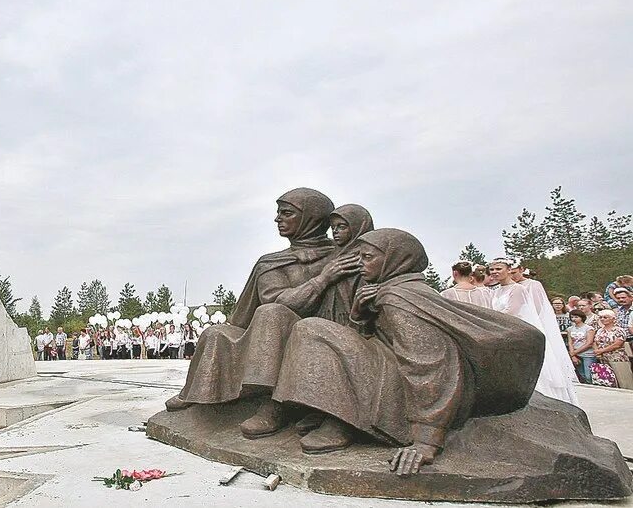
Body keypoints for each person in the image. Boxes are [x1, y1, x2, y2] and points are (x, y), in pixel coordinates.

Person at [272, 229, 542, 474]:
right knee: (314, 329)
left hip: (405, 396)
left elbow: (432, 365)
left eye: (367, 257)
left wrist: (426, 440)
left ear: (394, 260)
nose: (360, 264)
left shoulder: (400, 298)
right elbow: (372, 338)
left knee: (311, 330)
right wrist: (358, 315)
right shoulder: (389, 289)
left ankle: (346, 421)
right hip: (389, 371)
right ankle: (334, 414)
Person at [165, 188, 363, 441]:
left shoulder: (341, 258)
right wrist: (322, 280)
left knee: (273, 314)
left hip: (311, 337)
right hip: (266, 335)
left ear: (311, 218)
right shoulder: (272, 262)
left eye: (287, 213)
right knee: (216, 332)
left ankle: (277, 405)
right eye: (278, 213)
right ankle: (195, 393)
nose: (277, 219)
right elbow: (266, 303)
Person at [488, 259, 578, 405]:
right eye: (492, 270)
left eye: (498, 269)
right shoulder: (496, 291)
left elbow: (512, 312)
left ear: (509, 269)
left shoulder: (517, 289)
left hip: (516, 331)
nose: (494, 272)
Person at [593, 309, 633, 389]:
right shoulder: (600, 330)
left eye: (605, 317)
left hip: (617, 358)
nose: (602, 319)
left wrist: (601, 351)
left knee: (623, 380)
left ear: (613, 319)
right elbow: (595, 341)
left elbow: (617, 344)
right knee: (607, 380)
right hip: (603, 358)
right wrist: (597, 351)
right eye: (601, 317)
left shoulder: (619, 330)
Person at [567, 309, 596, 384]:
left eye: (576, 317)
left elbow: (589, 343)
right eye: (572, 317)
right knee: (582, 374)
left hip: (588, 354)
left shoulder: (589, 328)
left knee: (589, 375)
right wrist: (573, 355)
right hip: (576, 354)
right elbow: (570, 342)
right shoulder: (570, 329)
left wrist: (574, 352)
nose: (574, 319)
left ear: (581, 317)